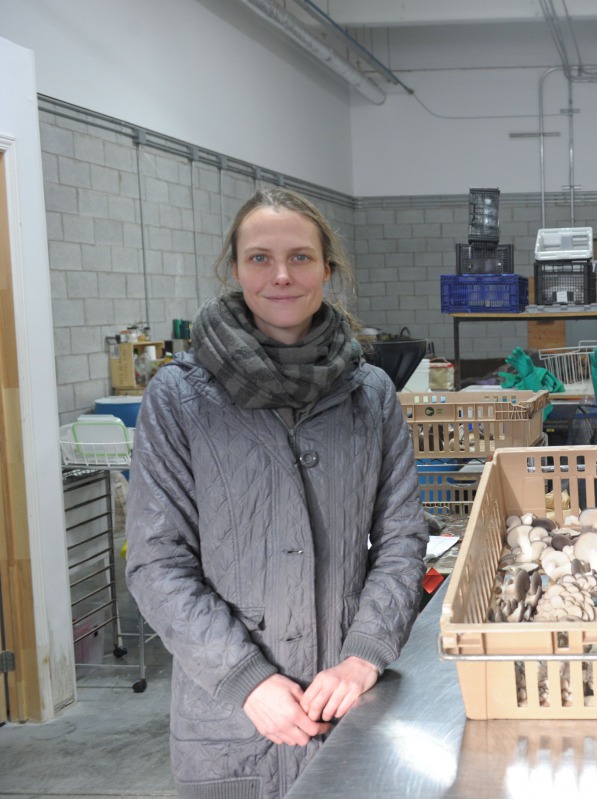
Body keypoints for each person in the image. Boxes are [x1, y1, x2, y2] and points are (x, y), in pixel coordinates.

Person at [125, 187, 429, 799]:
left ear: (328, 269)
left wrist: (364, 654)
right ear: (235, 269)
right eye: (260, 258)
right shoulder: (180, 398)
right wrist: (247, 679)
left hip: (346, 697)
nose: (282, 275)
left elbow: (401, 538)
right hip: (230, 719)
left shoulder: (369, 394)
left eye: (301, 257)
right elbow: (158, 561)